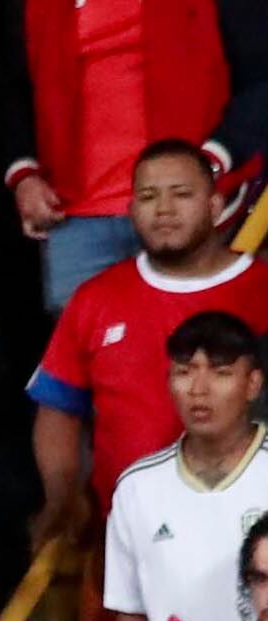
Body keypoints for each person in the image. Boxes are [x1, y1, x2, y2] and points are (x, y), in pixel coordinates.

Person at [28, 140, 268, 559]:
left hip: (252, 538)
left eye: (181, 194)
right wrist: (64, 495)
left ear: (215, 206)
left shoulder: (261, 289)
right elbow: (58, 409)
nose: (164, 210)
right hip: (127, 542)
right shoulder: (95, 298)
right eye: (147, 197)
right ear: (130, 210)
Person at [101, 310, 268, 621]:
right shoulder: (137, 488)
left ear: (253, 384)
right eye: (184, 371)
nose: (198, 389)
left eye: (221, 373)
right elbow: (131, 618)